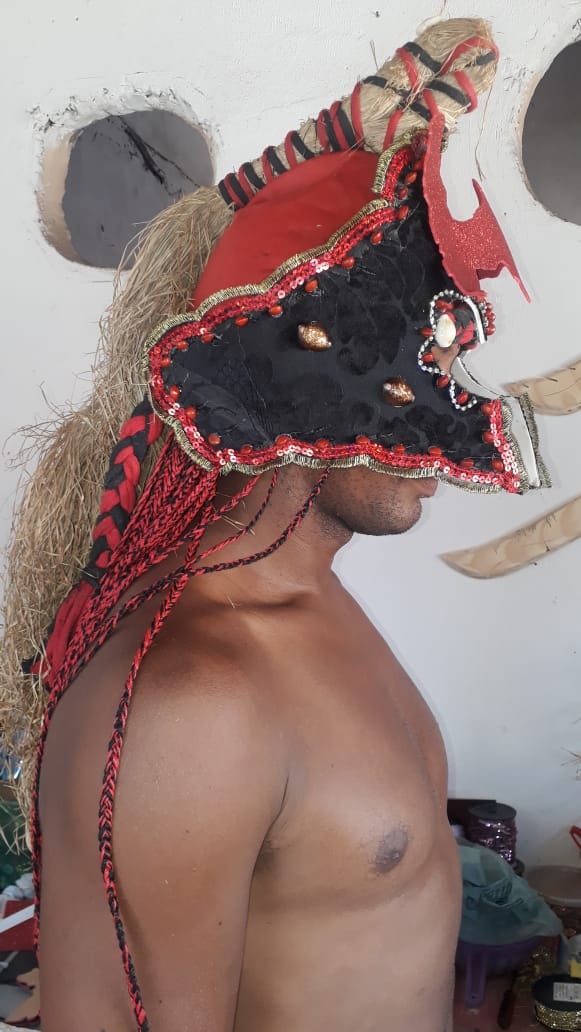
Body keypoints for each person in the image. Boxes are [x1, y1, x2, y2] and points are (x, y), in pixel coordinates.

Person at [0, 17, 547, 1032]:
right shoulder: (196, 705)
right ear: (302, 387)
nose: (445, 429)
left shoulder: (311, 598)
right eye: (419, 374)